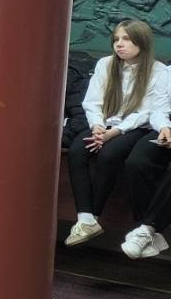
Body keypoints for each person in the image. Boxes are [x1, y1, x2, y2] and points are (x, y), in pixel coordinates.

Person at [66, 20, 161, 246]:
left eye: (126, 39)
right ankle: (86, 218)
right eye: (116, 39)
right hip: (104, 122)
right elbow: (93, 101)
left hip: (133, 126)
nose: (119, 45)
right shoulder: (105, 64)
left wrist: (114, 133)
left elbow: (146, 112)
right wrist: (98, 126)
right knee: (78, 150)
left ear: (142, 41)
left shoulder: (157, 71)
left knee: (109, 155)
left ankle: (96, 215)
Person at [121, 65, 171, 259]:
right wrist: (164, 128)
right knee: (137, 162)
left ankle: (146, 229)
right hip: (166, 128)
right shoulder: (167, 72)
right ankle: (150, 232)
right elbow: (158, 110)